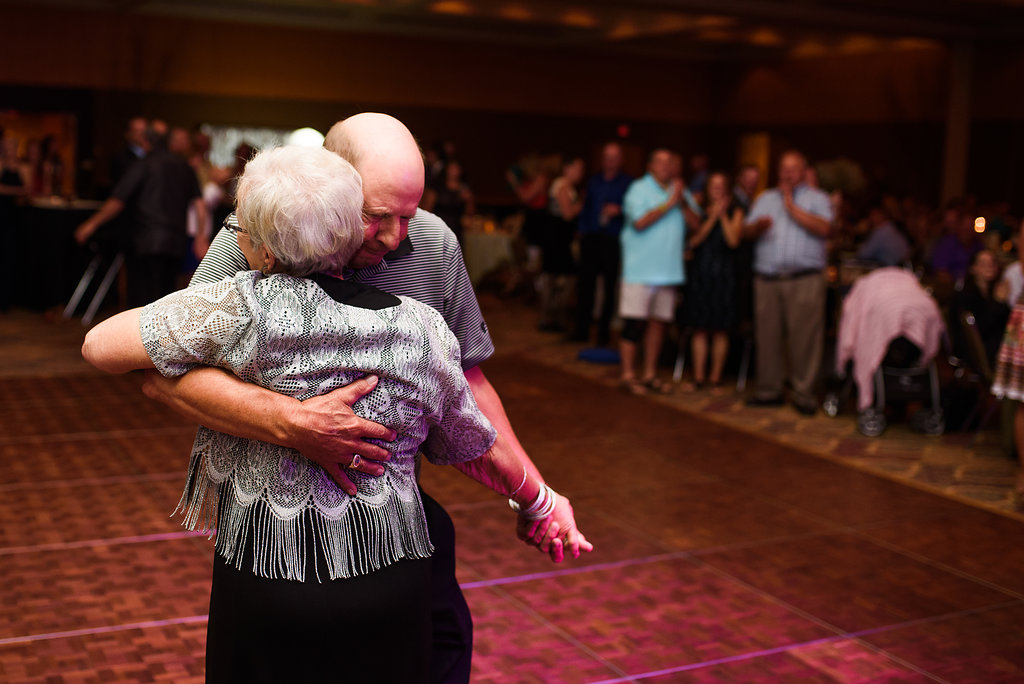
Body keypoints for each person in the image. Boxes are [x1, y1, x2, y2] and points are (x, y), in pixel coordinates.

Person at [81, 144, 591, 682]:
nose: (395, 234)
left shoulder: (237, 304)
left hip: (270, 570)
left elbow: (101, 346)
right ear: (348, 226)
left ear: (267, 251)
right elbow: (473, 438)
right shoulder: (422, 328)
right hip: (390, 572)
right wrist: (536, 498)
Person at [75, 124, 206, 307]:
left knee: (142, 301)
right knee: (166, 298)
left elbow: (118, 200)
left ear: (145, 142)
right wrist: (201, 237)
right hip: (176, 243)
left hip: (146, 242)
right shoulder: (184, 167)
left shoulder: (143, 164)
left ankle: (139, 336)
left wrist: (91, 224)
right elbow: (200, 205)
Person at [744, 150, 834, 415]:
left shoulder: (818, 198)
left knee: (804, 338)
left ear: (804, 170)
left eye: (793, 168)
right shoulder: (764, 198)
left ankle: (804, 394)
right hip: (767, 278)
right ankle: (768, 390)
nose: (787, 173)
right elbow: (745, 232)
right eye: (783, 168)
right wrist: (756, 227)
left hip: (804, 279)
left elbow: (825, 229)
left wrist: (791, 207)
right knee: (767, 337)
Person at [618, 149, 687, 395]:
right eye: (660, 161)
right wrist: (670, 202)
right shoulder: (638, 189)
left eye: (670, 161)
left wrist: (682, 199)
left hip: (668, 270)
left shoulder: (679, 190)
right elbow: (639, 222)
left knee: (658, 325)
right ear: (650, 166)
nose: (666, 166)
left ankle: (649, 374)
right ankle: (627, 375)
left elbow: (696, 223)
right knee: (634, 324)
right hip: (640, 270)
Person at [684, 172, 743, 392]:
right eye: (713, 185)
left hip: (724, 276)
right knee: (699, 327)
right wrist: (711, 218)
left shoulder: (736, 211)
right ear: (708, 188)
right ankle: (698, 377)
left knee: (720, 329)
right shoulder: (698, 210)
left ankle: (715, 378)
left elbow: (733, 241)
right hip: (701, 274)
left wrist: (723, 217)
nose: (717, 189)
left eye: (721, 185)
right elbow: (694, 241)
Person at [571, 141, 632, 346]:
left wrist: (620, 209)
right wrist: (582, 231)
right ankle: (581, 329)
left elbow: (633, 211)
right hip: (591, 237)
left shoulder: (627, 183)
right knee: (585, 285)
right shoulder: (594, 180)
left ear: (621, 160)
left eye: (614, 157)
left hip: (612, 239)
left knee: (609, 287)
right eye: (607, 157)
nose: (610, 161)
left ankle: (604, 333)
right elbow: (586, 207)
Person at [537, 156, 584, 333]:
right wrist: (583, 204)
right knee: (557, 276)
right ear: (567, 169)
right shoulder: (563, 186)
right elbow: (568, 214)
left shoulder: (566, 186)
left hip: (558, 236)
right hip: (557, 238)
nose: (581, 173)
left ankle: (551, 317)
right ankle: (552, 317)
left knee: (555, 276)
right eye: (578, 169)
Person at [949, 249, 1010, 368]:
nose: (989, 267)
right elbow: (979, 331)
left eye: (992, 263)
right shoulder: (965, 296)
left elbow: (1007, 326)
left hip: (993, 348)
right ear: (973, 268)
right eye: (983, 263)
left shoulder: (994, 292)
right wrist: (998, 303)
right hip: (975, 354)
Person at [421, 159, 474, 244]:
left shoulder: (463, 188)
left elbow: (469, 213)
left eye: (456, 169)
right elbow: (427, 209)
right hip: (438, 228)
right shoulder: (437, 187)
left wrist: (469, 200)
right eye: (451, 169)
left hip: (456, 230)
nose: (453, 172)